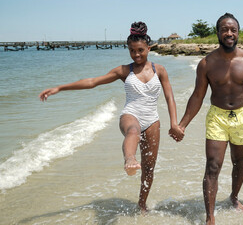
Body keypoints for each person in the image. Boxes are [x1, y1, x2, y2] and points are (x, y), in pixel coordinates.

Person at [39, 21, 184, 213]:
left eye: (140, 50)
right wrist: (60, 88)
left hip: (152, 119)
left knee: (149, 168)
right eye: (132, 51)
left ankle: (142, 204)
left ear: (149, 48)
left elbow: (169, 97)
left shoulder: (160, 70)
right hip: (130, 114)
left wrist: (174, 123)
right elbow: (92, 82)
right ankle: (129, 159)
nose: (137, 54)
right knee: (132, 131)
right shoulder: (124, 71)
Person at [173, 13, 243, 225]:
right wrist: (182, 125)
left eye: (233, 29)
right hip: (217, 116)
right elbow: (197, 96)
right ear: (218, 33)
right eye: (224, 29)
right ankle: (210, 216)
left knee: (239, 161)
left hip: (242, 116)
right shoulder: (206, 63)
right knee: (213, 165)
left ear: (238, 32)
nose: (229, 33)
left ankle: (233, 197)